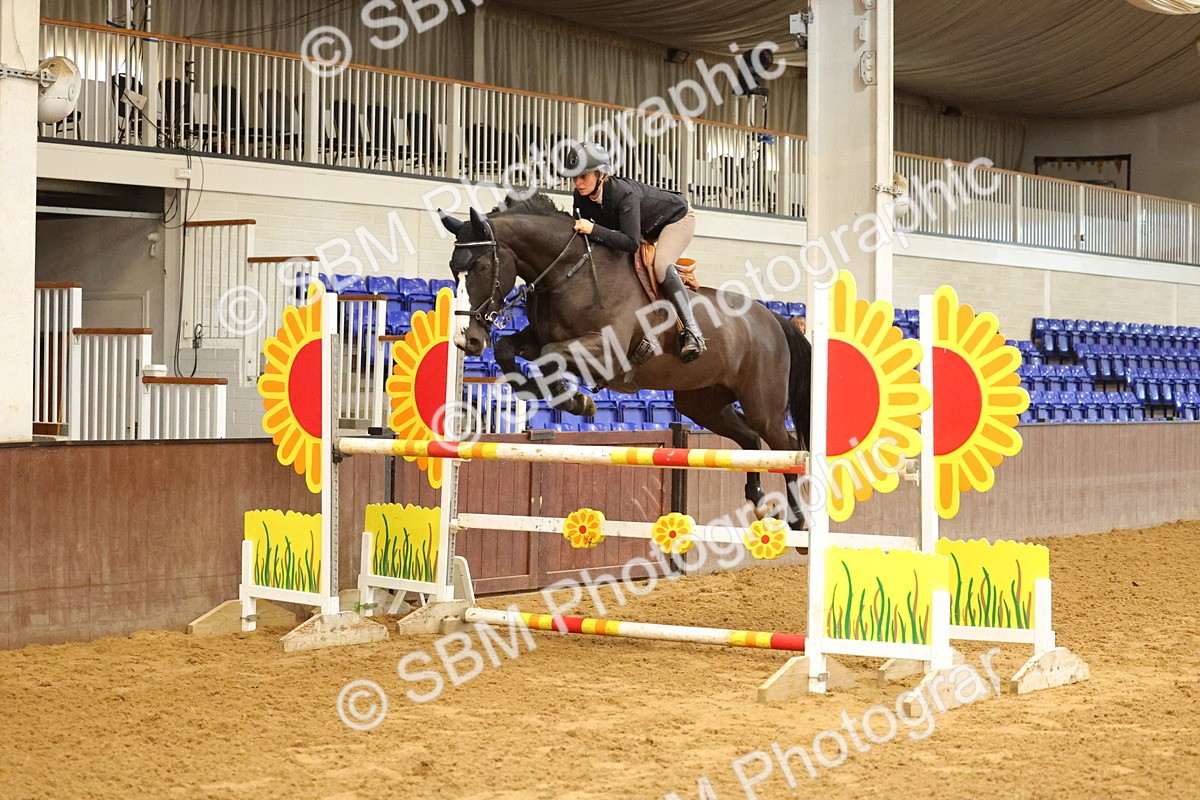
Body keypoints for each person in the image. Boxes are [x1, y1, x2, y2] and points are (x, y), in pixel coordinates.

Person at [562, 141, 706, 362]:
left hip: (675, 218)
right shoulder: (580, 197)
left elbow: (630, 242)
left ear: (600, 174)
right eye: (574, 177)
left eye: (583, 176)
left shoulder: (623, 193)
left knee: (660, 264)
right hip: (640, 227)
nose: (578, 183)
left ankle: (692, 331)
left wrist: (594, 229)